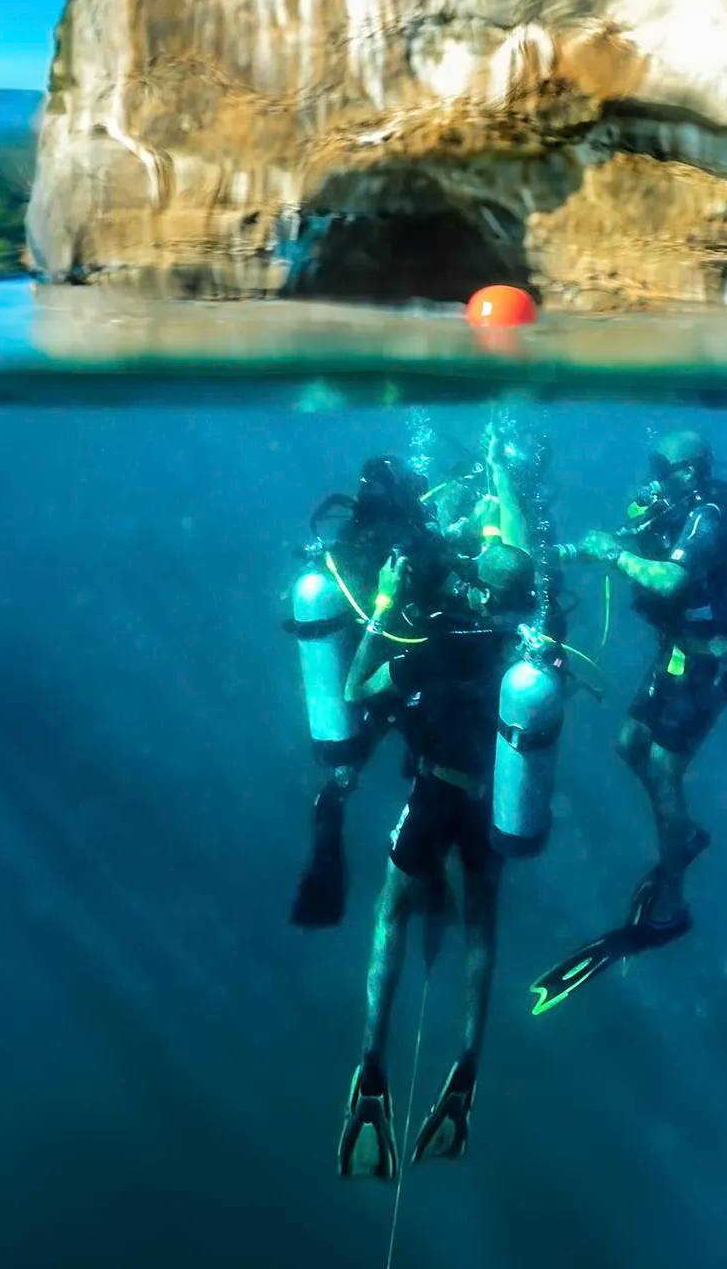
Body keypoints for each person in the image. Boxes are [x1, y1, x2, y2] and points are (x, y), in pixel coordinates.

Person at [532, 428, 727, 1013]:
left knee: (662, 768)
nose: (657, 479)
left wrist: (614, 555)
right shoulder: (678, 511)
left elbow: (671, 579)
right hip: (678, 654)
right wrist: (560, 555)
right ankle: (683, 833)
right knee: (630, 744)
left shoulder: (709, 516)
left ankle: (672, 908)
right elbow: (623, 543)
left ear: (693, 470)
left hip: (710, 662)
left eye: (667, 469)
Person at [337, 537, 537, 1179]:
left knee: (391, 912)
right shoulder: (529, 650)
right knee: (481, 923)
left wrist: (383, 605)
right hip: (492, 803)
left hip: (434, 795)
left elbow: (355, 690)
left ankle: (372, 1066)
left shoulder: (437, 639)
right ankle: (467, 1064)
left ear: (480, 585)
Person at [289, 454, 450, 930]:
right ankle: (424, 871)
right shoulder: (413, 536)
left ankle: (329, 836)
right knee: (429, 767)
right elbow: (439, 585)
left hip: (359, 667)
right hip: (400, 673)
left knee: (349, 765)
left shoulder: (349, 534)